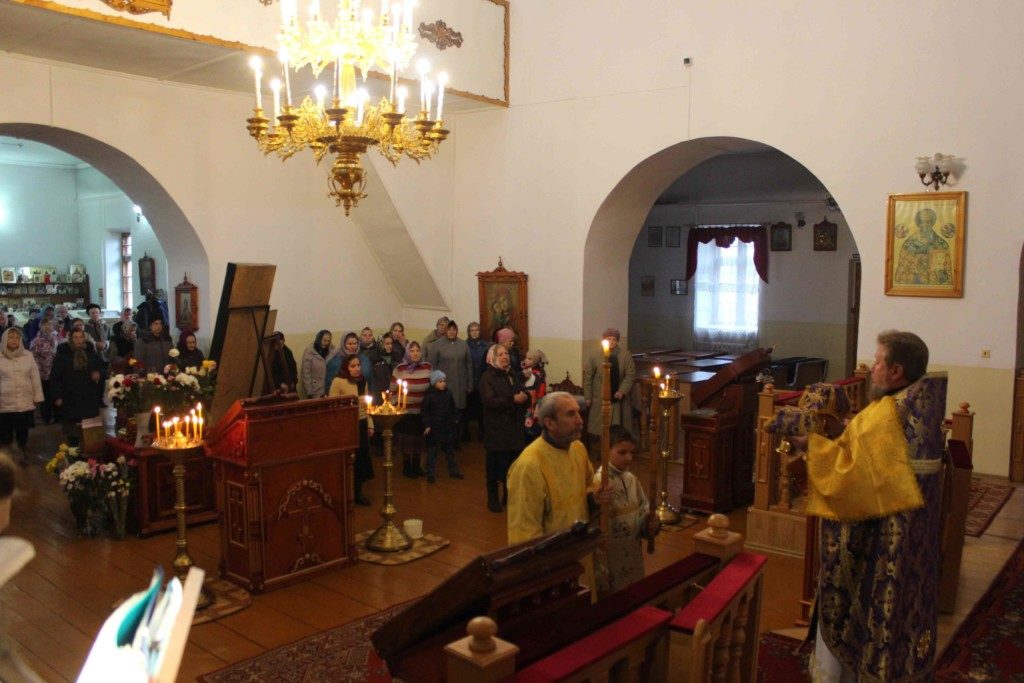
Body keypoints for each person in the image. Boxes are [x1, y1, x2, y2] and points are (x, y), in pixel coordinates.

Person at [790, 330, 940, 682]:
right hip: (911, 540)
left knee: (864, 616)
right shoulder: (917, 405)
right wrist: (844, 431)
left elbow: (851, 475)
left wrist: (810, 446)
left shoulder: (888, 414)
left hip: (878, 543)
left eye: (878, 361)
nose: (872, 368)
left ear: (896, 371)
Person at [592, 426, 658, 596]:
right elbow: (593, 520)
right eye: (622, 452)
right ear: (606, 450)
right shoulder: (598, 482)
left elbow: (643, 509)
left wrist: (649, 523)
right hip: (611, 555)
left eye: (631, 453)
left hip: (632, 551)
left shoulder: (631, 479)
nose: (628, 458)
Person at [479, 343, 528, 512]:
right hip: (496, 429)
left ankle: (510, 495)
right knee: (494, 466)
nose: (504, 357)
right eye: (500, 354)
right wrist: (513, 399)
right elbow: (489, 401)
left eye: (506, 353)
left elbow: (522, 392)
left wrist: (525, 397)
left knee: (513, 465)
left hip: (514, 428)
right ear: (492, 358)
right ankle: (492, 498)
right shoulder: (487, 378)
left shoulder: (512, 373)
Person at [329, 354, 374, 505]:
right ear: (346, 367)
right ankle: (345, 493)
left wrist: (369, 423)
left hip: (361, 422)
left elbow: (366, 405)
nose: (356, 369)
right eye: (352, 366)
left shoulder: (362, 381)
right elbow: (333, 405)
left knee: (360, 458)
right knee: (348, 459)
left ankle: (358, 492)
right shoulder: (338, 381)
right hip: (346, 424)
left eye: (358, 365)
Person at [50, 329, 104, 447]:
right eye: (75, 337)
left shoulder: (90, 352)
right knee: (73, 430)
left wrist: (98, 373)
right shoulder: (63, 355)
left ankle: (89, 452)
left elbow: (102, 366)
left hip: (88, 396)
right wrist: (57, 396)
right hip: (70, 397)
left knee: (89, 430)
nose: (78, 340)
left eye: (81, 337)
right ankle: (74, 452)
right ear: (71, 339)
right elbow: (55, 377)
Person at [582, 327, 636, 441]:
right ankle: (602, 446)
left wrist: (622, 391)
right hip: (600, 395)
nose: (611, 342)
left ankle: (615, 446)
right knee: (601, 424)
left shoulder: (625, 355)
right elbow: (588, 377)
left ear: (617, 341)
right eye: (609, 339)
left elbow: (630, 375)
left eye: (614, 339)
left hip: (618, 396)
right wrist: (588, 397)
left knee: (617, 425)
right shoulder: (595, 355)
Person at [0, 328, 44, 464]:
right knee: (5, 432)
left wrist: (37, 397)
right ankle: (6, 458)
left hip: (25, 400)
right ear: (5, 339)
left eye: (17, 338)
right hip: (4, 401)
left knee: (22, 430)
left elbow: (35, 377)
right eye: (11, 337)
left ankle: (21, 452)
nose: (14, 340)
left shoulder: (27, 356)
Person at [391, 342, 432, 478]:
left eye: (417, 350)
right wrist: (395, 407)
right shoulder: (400, 369)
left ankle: (417, 464)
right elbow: (392, 390)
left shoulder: (427, 367)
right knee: (407, 440)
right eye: (412, 351)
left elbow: (432, 386)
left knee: (419, 439)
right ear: (407, 353)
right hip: (405, 412)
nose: (415, 353)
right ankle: (407, 465)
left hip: (422, 412)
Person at [426, 320, 472, 434]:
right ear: (445, 330)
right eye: (449, 329)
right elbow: (432, 366)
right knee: (446, 411)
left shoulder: (463, 344)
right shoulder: (437, 345)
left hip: (461, 386)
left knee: (459, 413)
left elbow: (469, 365)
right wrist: (434, 384)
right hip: (444, 386)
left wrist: (470, 384)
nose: (451, 332)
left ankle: (459, 437)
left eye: (454, 329)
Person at [420, 370, 464, 483]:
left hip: (447, 427)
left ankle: (453, 470)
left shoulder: (448, 394)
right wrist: (427, 425)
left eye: (444, 381)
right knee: (432, 452)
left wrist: (456, 419)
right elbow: (425, 412)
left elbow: (453, 407)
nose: (443, 384)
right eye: (440, 382)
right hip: (435, 428)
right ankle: (430, 473)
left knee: (450, 452)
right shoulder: (429, 396)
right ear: (434, 383)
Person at [893, 208, 953, 286]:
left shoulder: (941, 244)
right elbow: (902, 270)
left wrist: (941, 274)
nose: (925, 225)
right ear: (918, 223)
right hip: (914, 284)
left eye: (928, 222)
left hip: (933, 284)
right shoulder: (908, 244)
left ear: (932, 223)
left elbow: (946, 272)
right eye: (922, 222)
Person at [29, 319, 59, 425]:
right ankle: (46, 418)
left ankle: (58, 417)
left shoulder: (57, 338)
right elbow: (34, 358)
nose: (47, 327)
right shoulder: (36, 341)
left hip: (56, 373)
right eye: (44, 325)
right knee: (46, 397)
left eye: (49, 324)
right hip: (43, 374)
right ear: (40, 327)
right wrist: (38, 373)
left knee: (56, 395)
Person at [464, 321, 489, 441]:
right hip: (469, 381)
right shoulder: (464, 345)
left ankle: (482, 432)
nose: (474, 332)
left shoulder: (486, 346)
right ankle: (466, 434)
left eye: (476, 330)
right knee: (467, 409)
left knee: (481, 410)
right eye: (472, 330)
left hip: (481, 380)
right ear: (469, 332)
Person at [301, 330, 338, 398]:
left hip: (329, 388)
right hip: (315, 389)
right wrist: (309, 392)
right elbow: (306, 373)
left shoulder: (332, 351)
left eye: (328, 341)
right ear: (319, 339)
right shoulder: (309, 351)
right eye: (324, 340)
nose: (326, 343)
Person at [521, 348, 549, 440]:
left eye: (529, 359)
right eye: (526, 357)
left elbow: (527, 388)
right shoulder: (541, 372)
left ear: (535, 361)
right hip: (538, 403)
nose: (526, 360)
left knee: (529, 429)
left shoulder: (531, 373)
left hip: (531, 404)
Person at [83, 303, 110, 371]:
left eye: (96, 312)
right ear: (89, 314)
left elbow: (110, 339)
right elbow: (84, 341)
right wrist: (95, 344)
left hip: (105, 355)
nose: (95, 315)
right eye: (92, 313)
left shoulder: (105, 326)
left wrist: (106, 344)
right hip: (92, 355)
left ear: (99, 313)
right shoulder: (85, 327)